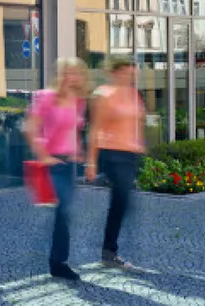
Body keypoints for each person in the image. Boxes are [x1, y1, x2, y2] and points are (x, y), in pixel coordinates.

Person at [23, 57, 88, 281]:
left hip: (69, 164)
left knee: (64, 212)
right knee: (64, 210)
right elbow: (29, 128)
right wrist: (44, 155)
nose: (74, 77)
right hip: (53, 164)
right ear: (61, 75)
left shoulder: (78, 101)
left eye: (77, 73)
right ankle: (58, 262)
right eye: (70, 72)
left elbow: (74, 129)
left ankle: (57, 260)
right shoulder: (46, 97)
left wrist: (78, 151)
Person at [86, 55, 145, 270]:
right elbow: (95, 129)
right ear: (115, 72)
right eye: (127, 71)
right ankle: (109, 251)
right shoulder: (103, 94)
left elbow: (137, 122)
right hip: (111, 153)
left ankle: (109, 249)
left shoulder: (133, 94)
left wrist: (139, 144)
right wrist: (91, 162)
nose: (131, 75)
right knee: (121, 200)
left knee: (122, 203)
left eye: (133, 72)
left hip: (130, 155)